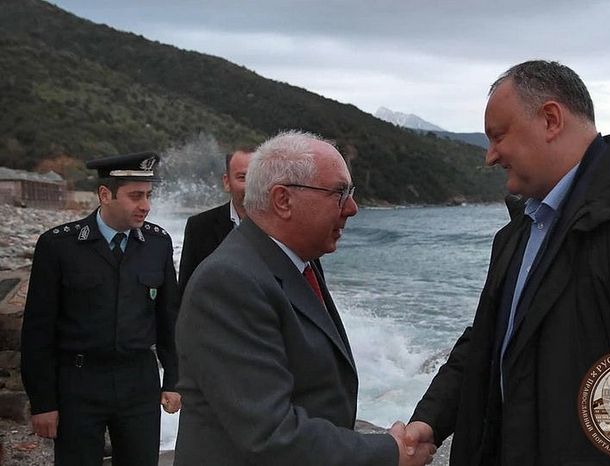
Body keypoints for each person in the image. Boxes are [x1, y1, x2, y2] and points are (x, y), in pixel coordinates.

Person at [404, 60, 610, 464]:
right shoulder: (521, 230)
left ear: (550, 120)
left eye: (498, 136)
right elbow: (486, 341)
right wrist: (430, 421)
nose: (490, 156)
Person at [174, 130, 435, 466]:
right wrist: (389, 452)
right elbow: (270, 433)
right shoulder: (229, 282)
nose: (352, 208)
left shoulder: (298, 262)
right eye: (339, 193)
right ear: (283, 200)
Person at [21, 152, 181, 466]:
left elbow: (168, 318)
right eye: (136, 196)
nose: (146, 205)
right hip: (79, 383)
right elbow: (38, 330)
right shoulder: (59, 246)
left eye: (148, 195)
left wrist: (174, 380)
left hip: (138, 382)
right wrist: (43, 403)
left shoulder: (158, 243)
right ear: (105, 194)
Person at [178, 146, 255, 293]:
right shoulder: (199, 228)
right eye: (242, 177)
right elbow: (187, 291)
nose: (251, 186)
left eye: (258, 177)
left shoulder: (284, 226)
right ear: (227, 182)